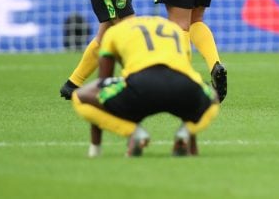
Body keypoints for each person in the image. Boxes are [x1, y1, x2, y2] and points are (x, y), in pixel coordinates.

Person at [71, 15, 220, 158]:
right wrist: (192, 144)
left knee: (80, 97)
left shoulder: (113, 32)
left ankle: (134, 133)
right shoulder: (172, 28)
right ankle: (185, 132)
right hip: (182, 88)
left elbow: (101, 86)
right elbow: (187, 73)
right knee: (213, 97)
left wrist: (95, 146)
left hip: (141, 89)